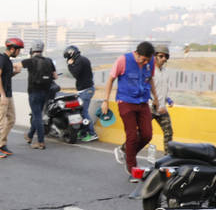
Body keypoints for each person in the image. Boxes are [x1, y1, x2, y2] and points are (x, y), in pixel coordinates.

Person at [101, 41, 158, 181]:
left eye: (148, 60)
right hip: (126, 102)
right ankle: (132, 167)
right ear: (137, 54)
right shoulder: (123, 60)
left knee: (147, 135)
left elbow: (150, 80)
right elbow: (110, 80)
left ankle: (127, 152)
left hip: (143, 102)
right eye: (143, 59)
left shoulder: (150, 62)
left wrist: (155, 98)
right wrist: (105, 101)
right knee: (131, 136)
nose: (145, 63)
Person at [0, 37, 23, 158]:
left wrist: (15, 72)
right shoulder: (0, 59)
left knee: (11, 119)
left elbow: (5, 77)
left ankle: (2, 144)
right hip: (0, 96)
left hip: (8, 95)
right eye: (18, 50)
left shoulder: (8, 60)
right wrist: (2, 95)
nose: (19, 52)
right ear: (12, 49)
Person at [21, 41, 57, 149]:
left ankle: (41, 142)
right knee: (37, 115)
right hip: (45, 93)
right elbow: (55, 76)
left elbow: (16, 67)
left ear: (32, 50)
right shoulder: (49, 61)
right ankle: (29, 135)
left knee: (37, 117)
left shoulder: (29, 61)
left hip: (34, 92)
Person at [62, 45, 97, 141]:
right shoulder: (83, 59)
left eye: (68, 57)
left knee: (83, 112)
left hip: (86, 90)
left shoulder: (79, 61)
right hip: (86, 89)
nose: (68, 59)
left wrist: (70, 65)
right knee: (81, 112)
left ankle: (92, 133)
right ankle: (83, 132)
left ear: (71, 53)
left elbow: (75, 73)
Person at [151, 45, 174, 151]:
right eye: (161, 56)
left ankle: (167, 158)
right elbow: (146, 89)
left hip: (162, 107)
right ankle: (124, 149)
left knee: (168, 132)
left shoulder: (165, 72)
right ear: (154, 56)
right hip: (150, 107)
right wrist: (154, 103)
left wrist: (167, 99)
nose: (164, 59)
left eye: (166, 57)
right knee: (141, 133)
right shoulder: (149, 71)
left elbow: (162, 89)